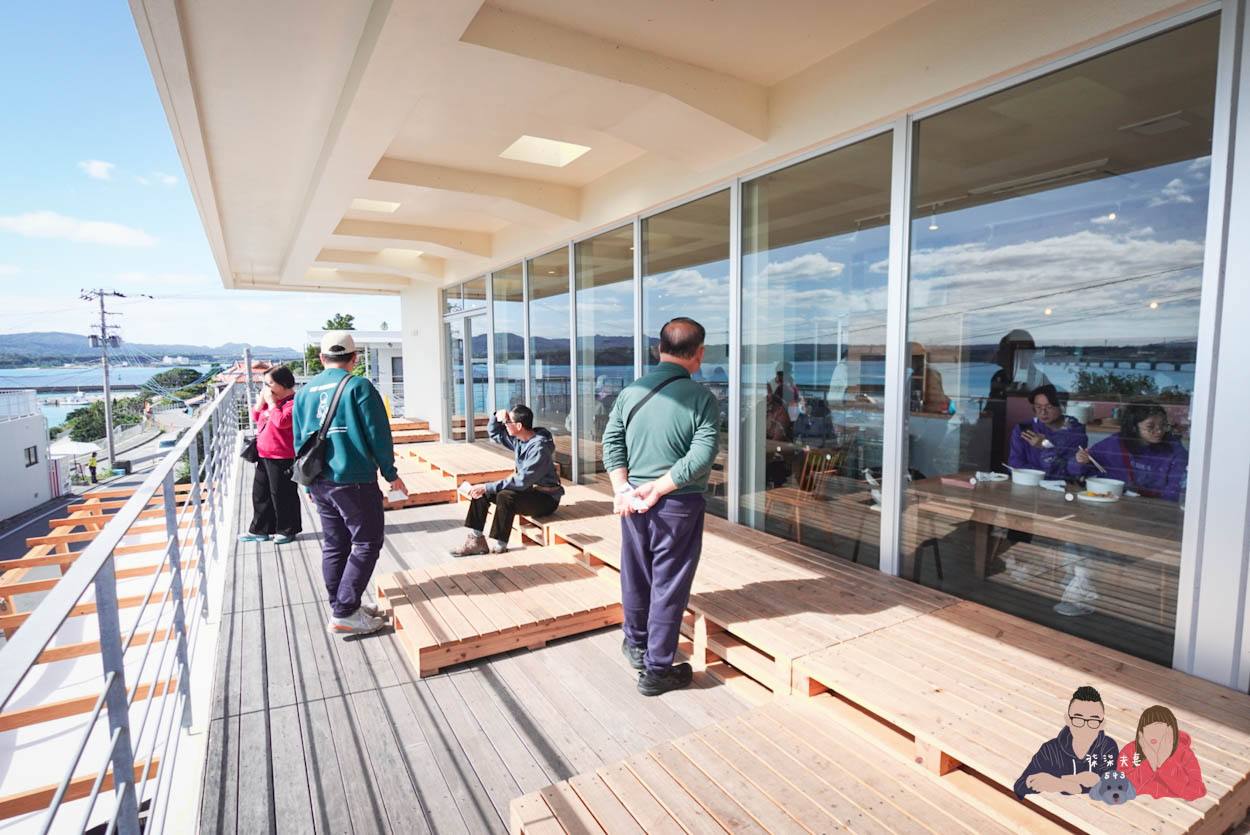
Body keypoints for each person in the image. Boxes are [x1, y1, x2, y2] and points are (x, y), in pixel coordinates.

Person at [602, 317, 719, 696]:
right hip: (678, 504)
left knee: (636, 575)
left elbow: (611, 443)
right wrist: (662, 487)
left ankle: (635, 644)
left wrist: (624, 489)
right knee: (668, 584)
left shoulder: (630, 393)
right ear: (699, 355)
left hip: (632, 501)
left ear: (659, 349)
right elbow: (702, 456)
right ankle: (656, 669)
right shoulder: (702, 399)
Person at [293, 331, 407, 636]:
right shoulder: (358, 386)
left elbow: (299, 442)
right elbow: (378, 434)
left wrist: (307, 484)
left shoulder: (304, 392)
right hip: (354, 479)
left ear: (321, 359)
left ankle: (343, 605)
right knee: (367, 542)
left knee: (335, 544)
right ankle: (345, 610)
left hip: (319, 480)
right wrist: (390, 473)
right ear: (354, 358)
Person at [450, 404, 564, 556]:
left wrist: (487, 486)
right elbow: (494, 433)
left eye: (507, 422)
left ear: (518, 426)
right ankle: (476, 541)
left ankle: (500, 545)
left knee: (504, 495)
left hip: (546, 499)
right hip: (527, 493)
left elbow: (521, 481)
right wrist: (496, 416)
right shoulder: (520, 440)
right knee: (482, 492)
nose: (505, 424)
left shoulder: (539, 448)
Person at [1014, 685, 1119, 799]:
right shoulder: (1050, 749)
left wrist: (1063, 784)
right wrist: (1073, 782)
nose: (1085, 727)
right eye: (1078, 719)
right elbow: (1020, 787)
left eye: (1093, 721)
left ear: (1102, 724)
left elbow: (1112, 787)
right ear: (1067, 720)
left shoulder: (1108, 747)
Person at [238, 365, 302, 545]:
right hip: (264, 454)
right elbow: (256, 416)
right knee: (260, 494)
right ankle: (260, 529)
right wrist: (260, 403)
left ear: (283, 383)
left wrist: (272, 404)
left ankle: (287, 529)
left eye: (270, 383)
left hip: (283, 456)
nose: (267, 388)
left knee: (282, 495)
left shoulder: (294, 402)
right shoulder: (271, 401)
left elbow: (282, 422)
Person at [1072, 402, 1188, 500]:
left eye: (1163, 425)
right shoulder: (1115, 444)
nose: (1159, 431)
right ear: (1134, 427)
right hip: (1115, 503)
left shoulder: (1174, 450)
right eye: (1150, 426)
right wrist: (1080, 461)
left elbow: (1177, 491)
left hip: (1156, 510)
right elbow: (1075, 471)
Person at [1118, 705, 1206, 801]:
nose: (1153, 735)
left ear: (1171, 732)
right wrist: (1149, 763)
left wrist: (1165, 762)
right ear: (1141, 733)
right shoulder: (1130, 751)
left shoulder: (1184, 753)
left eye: (1159, 729)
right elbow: (1119, 788)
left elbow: (1197, 792)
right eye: (1148, 729)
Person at [1008, 384, 1087, 479]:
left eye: (1049, 407)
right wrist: (1042, 474)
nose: (1043, 412)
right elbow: (1015, 464)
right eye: (1038, 407)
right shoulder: (1024, 428)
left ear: (1062, 407)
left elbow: (1066, 472)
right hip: (1027, 482)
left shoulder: (1075, 433)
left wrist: (1045, 446)